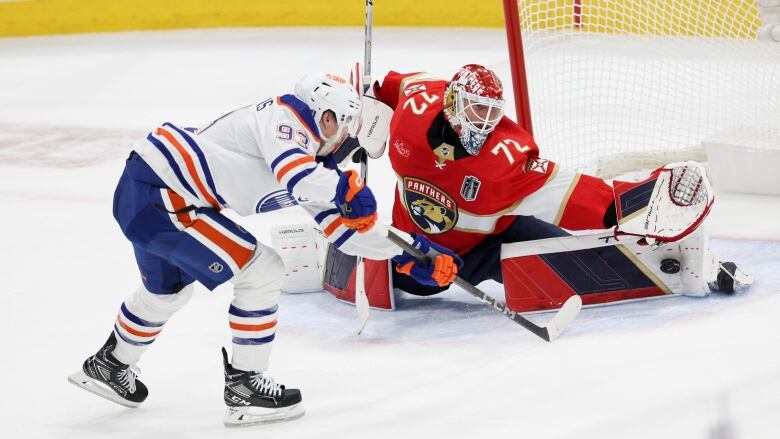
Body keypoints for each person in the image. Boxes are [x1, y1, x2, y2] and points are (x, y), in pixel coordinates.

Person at [67, 72, 461, 427]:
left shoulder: (315, 165)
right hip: (162, 194)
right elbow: (296, 175)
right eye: (344, 127)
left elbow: (343, 230)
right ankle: (245, 386)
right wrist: (344, 189)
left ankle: (110, 364)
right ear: (325, 116)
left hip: (154, 194)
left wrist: (409, 253)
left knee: (166, 290)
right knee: (264, 270)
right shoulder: (284, 119)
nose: (347, 139)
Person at [363, 64, 751, 301]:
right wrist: (371, 106)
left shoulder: (506, 160)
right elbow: (397, 84)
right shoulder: (414, 109)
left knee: (571, 263)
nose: (484, 121)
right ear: (450, 102)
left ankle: (693, 271)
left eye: (492, 112)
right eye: (475, 108)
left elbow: (569, 192)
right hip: (420, 255)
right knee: (416, 285)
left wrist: (632, 205)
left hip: (492, 241)